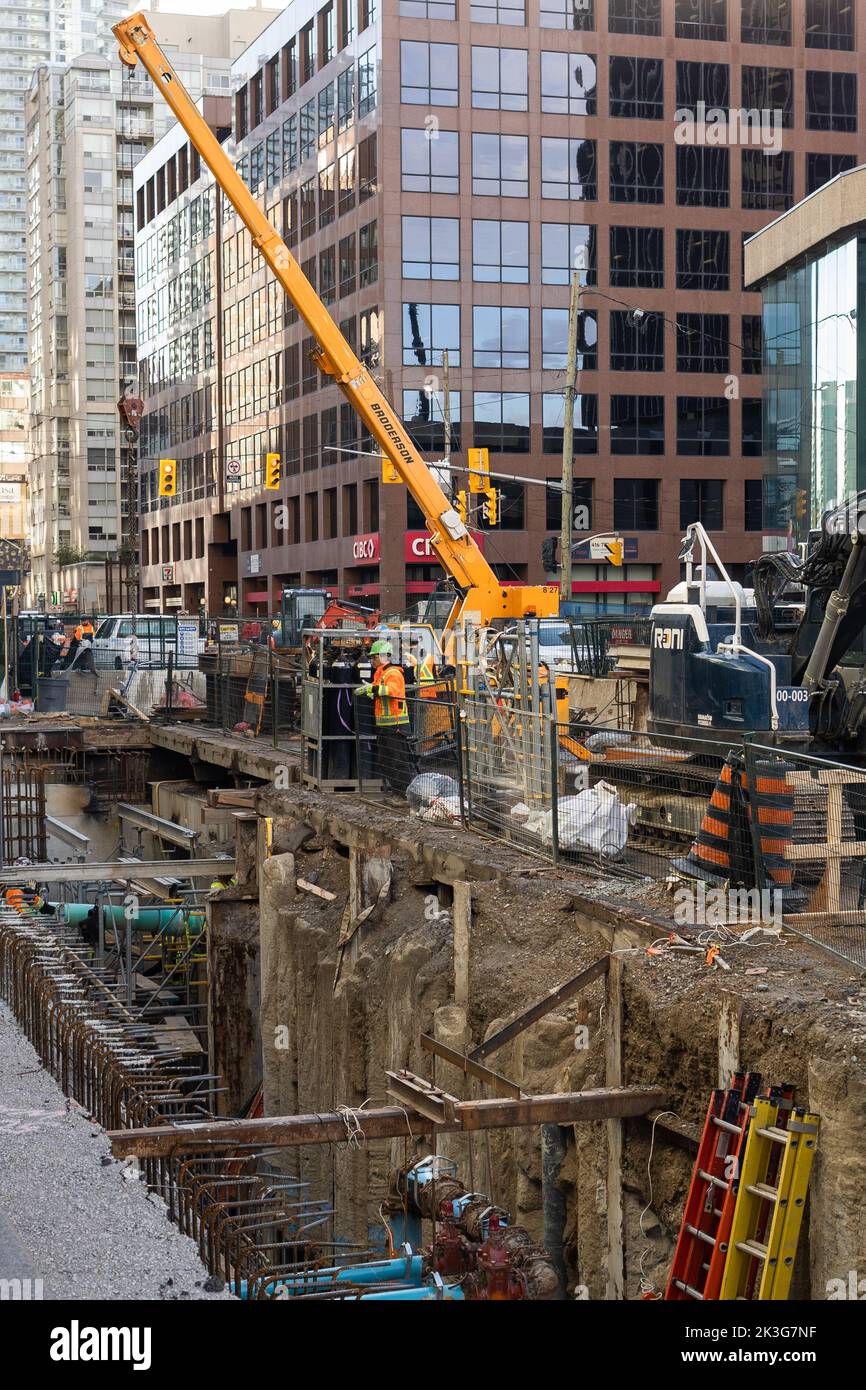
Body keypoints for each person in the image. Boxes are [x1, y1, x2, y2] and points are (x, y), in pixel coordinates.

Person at [356, 639, 418, 795]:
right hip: (385, 726)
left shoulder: (393, 673)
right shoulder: (382, 673)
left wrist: (373, 689)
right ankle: (399, 792)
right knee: (386, 761)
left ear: (383, 656)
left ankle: (404, 794)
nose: (372, 660)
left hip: (396, 726)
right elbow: (381, 692)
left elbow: (391, 691)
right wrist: (371, 691)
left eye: (374, 657)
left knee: (398, 762)